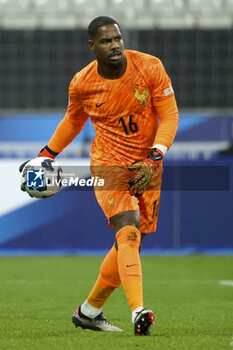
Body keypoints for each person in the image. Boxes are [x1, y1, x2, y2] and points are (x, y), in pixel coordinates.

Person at [20, 16, 179, 336]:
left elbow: (170, 115)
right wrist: (45, 155)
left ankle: (89, 311)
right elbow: (73, 121)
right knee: (128, 227)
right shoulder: (82, 83)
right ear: (93, 46)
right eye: (106, 41)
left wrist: (155, 156)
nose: (115, 45)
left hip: (148, 165)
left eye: (118, 38)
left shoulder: (149, 67)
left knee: (131, 242)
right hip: (108, 164)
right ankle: (139, 311)